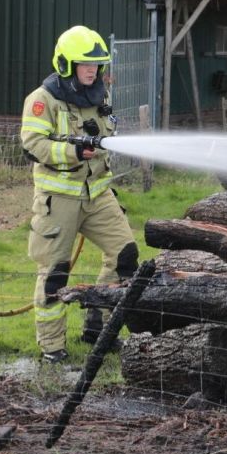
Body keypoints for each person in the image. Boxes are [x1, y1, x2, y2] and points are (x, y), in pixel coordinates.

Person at [20, 25, 139, 364]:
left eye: (97, 65)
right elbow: (33, 145)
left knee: (125, 256)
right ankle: (52, 348)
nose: (93, 71)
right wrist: (72, 152)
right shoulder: (42, 100)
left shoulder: (97, 94)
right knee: (55, 272)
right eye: (85, 64)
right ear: (66, 64)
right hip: (59, 200)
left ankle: (98, 326)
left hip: (99, 195)